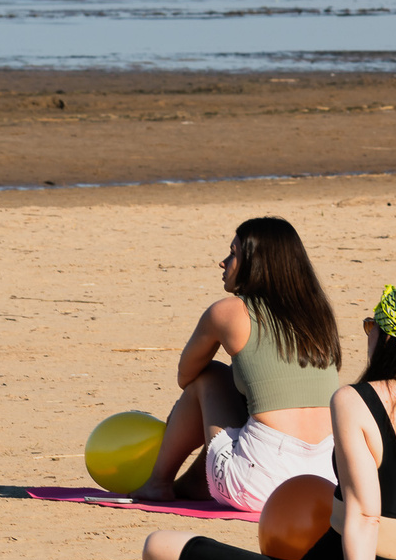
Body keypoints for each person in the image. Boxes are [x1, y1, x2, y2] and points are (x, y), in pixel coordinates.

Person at [144, 284, 396, 560]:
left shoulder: (357, 400)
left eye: (371, 326)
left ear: (392, 338)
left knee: (157, 546)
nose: (369, 335)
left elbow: (365, 515)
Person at [132, 217, 342, 508]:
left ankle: (158, 482)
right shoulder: (320, 316)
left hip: (259, 482)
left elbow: (186, 376)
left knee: (209, 377)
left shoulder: (228, 312)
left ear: (256, 264)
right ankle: (195, 483)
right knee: (254, 398)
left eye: (233, 253)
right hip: (323, 482)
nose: (223, 262)